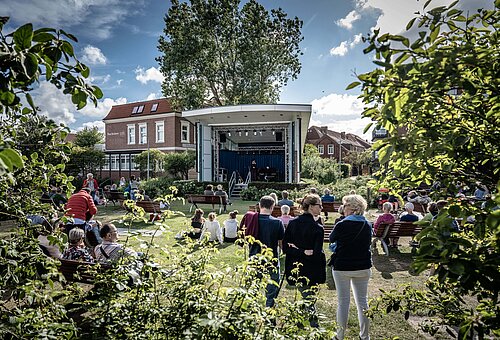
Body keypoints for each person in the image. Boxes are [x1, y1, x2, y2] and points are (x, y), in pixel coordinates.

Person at [329, 194, 372, 340]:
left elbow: (331, 239)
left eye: (345, 205)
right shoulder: (367, 224)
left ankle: (339, 336)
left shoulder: (342, 224)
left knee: (343, 302)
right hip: (363, 266)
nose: (343, 208)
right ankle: (365, 336)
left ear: (353, 208)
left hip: (343, 266)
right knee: (362, 301)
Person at [283, 194, 326, 327]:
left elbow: (286, 247)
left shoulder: (293, 223)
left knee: (307, 296)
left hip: (295, 267)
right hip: (312, 270)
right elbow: (316, 254)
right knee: (309, 298)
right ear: (312, 207)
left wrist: (297, 249)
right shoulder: (317, 228)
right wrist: (304, 252)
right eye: (319, 205)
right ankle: (315, 327)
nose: (322, 207)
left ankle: (298, 322)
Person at [249, 196, 285, 308]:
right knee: (272, 286)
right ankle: (269, 308)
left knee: (254, 285)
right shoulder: (277, 223)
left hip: (254, 256)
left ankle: (252, 309)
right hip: (272, 258)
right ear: (272, 207)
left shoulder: (252, 220)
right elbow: (281, 242)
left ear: (260, 205)